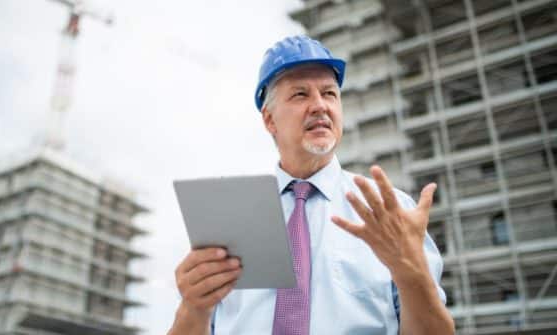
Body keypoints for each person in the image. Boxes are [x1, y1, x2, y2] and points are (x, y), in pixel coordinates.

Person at [168, 35, 454, 335]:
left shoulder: (389, 213)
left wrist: (412, 275)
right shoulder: (230, 222)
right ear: (269, 120)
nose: (320, 106)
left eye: (329, 93)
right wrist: (193, 307)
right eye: (300, 94)